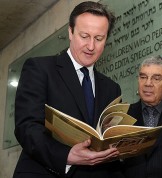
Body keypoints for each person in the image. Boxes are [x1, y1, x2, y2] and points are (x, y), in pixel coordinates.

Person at [13, 1, 121, 178]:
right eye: (84, 36)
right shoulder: (39, 69)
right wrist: (66, 156)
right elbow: (27, 127)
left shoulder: (112, 88)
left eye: (99, 38)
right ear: (70, 32)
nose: (91, 46)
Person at [113, 56, 162, 178]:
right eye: (143, 77)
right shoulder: (121, 117)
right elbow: (111, 163)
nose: (148, 83)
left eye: (156, 78)